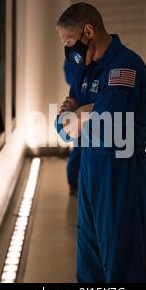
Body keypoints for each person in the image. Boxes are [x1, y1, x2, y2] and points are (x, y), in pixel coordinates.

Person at [56, 3, 146, 283]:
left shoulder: (125, 66)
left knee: (123, 264)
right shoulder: (86, 72)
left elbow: (111, 125)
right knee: (89, 263)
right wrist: (85, 112)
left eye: (70, 43)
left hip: (120, 174)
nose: (68, 52)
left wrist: (81, 113)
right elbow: (62, 127)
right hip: (90, 172)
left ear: (89, 31)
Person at [63, 60, 83, 195]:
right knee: (78, 148)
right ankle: (73, 183)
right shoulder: (74, 60)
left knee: (79, 148)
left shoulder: (72, 60)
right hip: (79, 108)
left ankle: (74, 183)